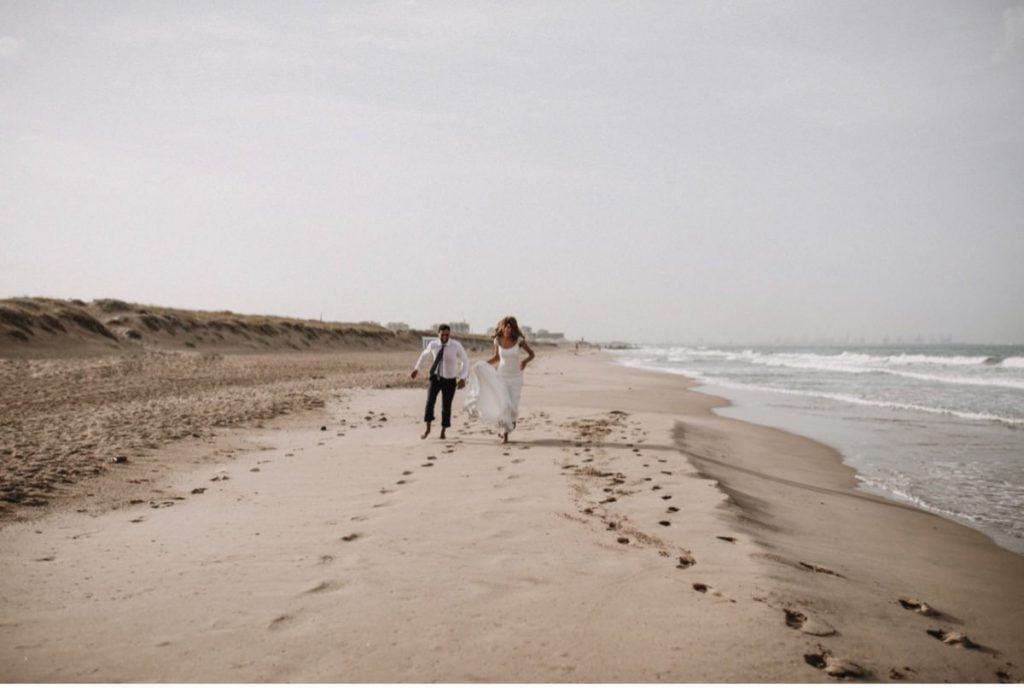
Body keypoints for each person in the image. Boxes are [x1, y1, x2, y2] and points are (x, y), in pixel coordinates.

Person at [464, 315, 535, 443]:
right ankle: (505, 433)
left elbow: (532, 354)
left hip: (516, 377)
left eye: (511, 327)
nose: (508, 330)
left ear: (514, 329)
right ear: (503, 327)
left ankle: (511, 422)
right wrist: (482, 365)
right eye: (506, 327)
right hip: (501, 375)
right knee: (503, 404)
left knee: (513, 405)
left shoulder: (519, 340)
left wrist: (525, 361)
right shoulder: (498, 340)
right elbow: (496, 358)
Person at [411, 324, 469, 440]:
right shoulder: (433, 345)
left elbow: (465, 359)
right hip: (435, 378)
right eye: (442, 334)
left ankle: (443, 431)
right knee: (429, 402)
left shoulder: (455, 345)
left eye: (447, 334)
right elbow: (424, 355)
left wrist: (463, 377)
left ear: (449, 334)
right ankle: (428, 429)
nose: (445, 337)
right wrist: (417, 368)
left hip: (450, 380)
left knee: (446, 406)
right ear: (438, 334)